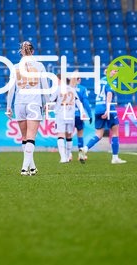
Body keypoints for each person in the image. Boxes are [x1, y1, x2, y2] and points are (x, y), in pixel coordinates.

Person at [6, 40, 51, 176]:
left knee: (24, 137)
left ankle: (32, 167)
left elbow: (10, 89)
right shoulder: (39, 66)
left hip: (19, 103)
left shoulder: (15, 67)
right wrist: (47, 104)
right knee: (31, 136)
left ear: (21, 52)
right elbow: (45, 87)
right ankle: (24, 168)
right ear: (33, 51)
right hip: (33, 102)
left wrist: (8, 106)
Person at [81, 67, 126, 165]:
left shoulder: (101, 81)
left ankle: (85, 148)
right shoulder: (111, 81)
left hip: (98, 108)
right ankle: (115, 158)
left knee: (98, 134)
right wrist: (108, 109)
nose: (116, 72)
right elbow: (109, 94)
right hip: (107, 107)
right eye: (115, 70)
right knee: (115, 132)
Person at [49, 76, 87, 163]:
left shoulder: (58, 89)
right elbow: (78, 101)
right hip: (70, 115)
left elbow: (51, 102)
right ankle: (67, 155)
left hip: (61, 114)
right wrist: (83, 112)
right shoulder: (72, 89)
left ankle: (63, 157)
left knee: (61, 135)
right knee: (69, 136)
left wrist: (47, 108)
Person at [71, 76, 93, 159]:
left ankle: (68, 154)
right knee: (80, 134)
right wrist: (90, 114)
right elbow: (86, 102)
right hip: (78, 114)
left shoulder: (67, 88)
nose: (80, 80)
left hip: (68, 114)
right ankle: (80, 155)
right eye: (79, 78)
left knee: (68, 134)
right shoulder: (83, 89)